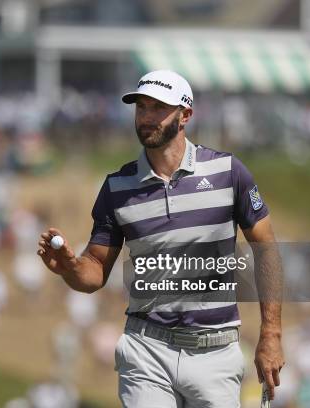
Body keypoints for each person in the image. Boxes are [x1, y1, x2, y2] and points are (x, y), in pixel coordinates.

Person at [38, 70, 284, 407]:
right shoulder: (116, 188)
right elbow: (94, 271)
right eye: (142, 108)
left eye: (158, 108)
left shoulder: (228, 172)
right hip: (146, 350)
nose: (147, 117)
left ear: (185, 116)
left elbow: (266, 249)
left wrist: (271, 334)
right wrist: (68, 266)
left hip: (215, 352)